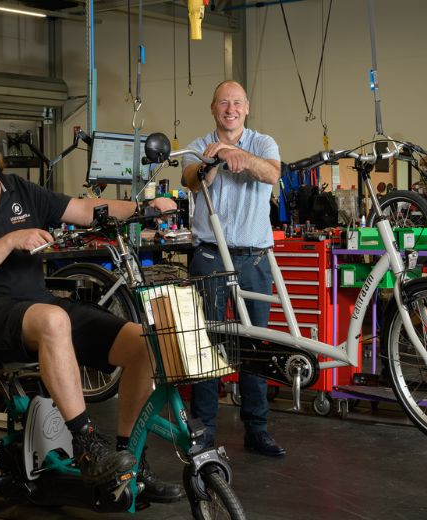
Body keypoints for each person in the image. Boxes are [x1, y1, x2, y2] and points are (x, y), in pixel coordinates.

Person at [0, 108, 182, 502]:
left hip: (36, 306)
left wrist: (145, 209)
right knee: (53, 319)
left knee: (143, 343)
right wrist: (10, 240)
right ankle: (88, 446)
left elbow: (82, 209)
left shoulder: (19, 190)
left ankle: (130, 463)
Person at [181, 80, 285, 457]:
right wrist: (215, 160)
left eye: (237, 102)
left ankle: (257, 429)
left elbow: (271, 174)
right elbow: (191, 179)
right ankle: (204, 433)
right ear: (213, 108)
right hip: (209, 256)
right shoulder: (197, 145)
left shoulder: (264, 142)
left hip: (254, 258)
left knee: (255, 346)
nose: (231, 108)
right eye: (224, 102)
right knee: (206, 345)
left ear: (247, 107)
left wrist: (234, 153)